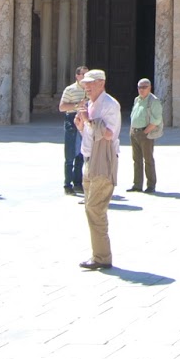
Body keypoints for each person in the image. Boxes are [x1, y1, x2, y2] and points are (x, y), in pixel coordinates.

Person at [78, 69, 121, 270]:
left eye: (90, 83)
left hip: (103, 160)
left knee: (95, 209)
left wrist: (88, 120)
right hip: (89, 159)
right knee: (91, 208)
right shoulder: (91, 104)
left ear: (101, 83)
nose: (86, 87)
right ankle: (99, 254)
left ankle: (102, 257)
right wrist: (81, 125)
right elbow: (90, 133)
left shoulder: (110, 104)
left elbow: (109, 134)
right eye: (85, 83)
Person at [128, 77, 164, 194]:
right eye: (140, 87)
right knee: (136, 159)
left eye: (144, 87)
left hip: (145, 133)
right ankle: (137, 184)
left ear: (150, 88)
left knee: (148, 160)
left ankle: (151, 185)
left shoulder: (153, 101)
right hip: (134, 132)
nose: (141, 89)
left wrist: (145, 131)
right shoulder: (137, 99)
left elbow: (157, 119)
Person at [58, 65, 88, 195]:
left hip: (85, 121)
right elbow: (62, 107)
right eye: (83, 74)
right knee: (70, 154)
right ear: (77, 76)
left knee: (81, 154)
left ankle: (78, 183)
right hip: (71, 120)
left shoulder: (89, 90)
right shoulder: (70, 89)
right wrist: (77, 105)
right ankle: (67, 184)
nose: (86, 77)